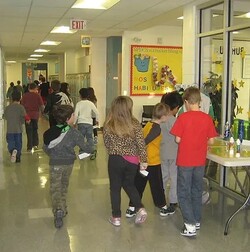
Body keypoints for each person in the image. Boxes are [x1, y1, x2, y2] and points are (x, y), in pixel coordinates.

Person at [170, 87, 217, 237]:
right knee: (197, 190)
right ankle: (196, 220)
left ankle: (189, 224)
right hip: (200, 161)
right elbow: (212, 140)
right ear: (200, 101)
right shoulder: (207, 119)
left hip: (185, 161)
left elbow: (177, 139)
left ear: (186, 102)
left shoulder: (182, 118)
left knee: (183, 192)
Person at [43, 104, 92, 229]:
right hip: (69, 163)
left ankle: (58, 210)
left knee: (55, 188)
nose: (75, 116)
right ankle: (63, 208)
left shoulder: (49, 132)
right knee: (64, 185)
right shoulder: (74, 133)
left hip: (55, 164)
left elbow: (45, 148)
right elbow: (86, 147)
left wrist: (53, 155)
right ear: (68, 118)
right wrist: (92, 146)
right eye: (73, 115)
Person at [103, 96, 148, 226]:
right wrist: (144, 161)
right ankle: (140, 208)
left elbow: (106, 143)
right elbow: (141, 143)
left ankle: (116, 217)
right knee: (129, 185)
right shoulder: (134, 123)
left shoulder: (109, 123)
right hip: (132, 160)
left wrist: (114, 149)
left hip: (115, 159)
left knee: (115, 188)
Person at [126, 103, 170, 218]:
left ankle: (132, 207)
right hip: (153, 162)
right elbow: (146, 141)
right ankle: (163, 206)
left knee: (138, 185)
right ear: (164, 116)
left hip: (142, 161)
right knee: (157, 186)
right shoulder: (156, 128)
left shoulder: (147, 125)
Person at [160, 91, 183, 215]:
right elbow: (180, 137)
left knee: (163, 177)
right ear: (175, 108)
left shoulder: (161, 119)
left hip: (162, 153)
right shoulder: (175, 121)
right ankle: (173, 201)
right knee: (174, 178)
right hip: (174, 154)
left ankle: (161, 200)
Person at [4, 90, 30, 163]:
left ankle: (12, 150)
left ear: (11, 98)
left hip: (10, 129)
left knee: (11, 142)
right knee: (18, 143)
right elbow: (26, 116)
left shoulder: (8, 107)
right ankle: (18, 157)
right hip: (18, 129)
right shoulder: (21, 107)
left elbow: (5, 117)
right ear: (20, 98)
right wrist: (28, 120)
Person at [74, 88, 98, 160]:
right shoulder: (90, 103)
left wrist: (74, 122)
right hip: (89, 123)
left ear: (80, 95)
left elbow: (76, 114)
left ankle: (82, 153)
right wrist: (97, 120)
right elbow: (97, 112)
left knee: (81, 138)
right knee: (90, 138)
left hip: (81, 123)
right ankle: (92, 151)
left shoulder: (79, 104)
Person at [21, 82, 44, 151]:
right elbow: (42, 106)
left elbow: (22, 106)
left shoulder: (25, 95)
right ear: (35, 88)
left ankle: (29, 146)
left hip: (27, 116)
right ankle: (35, 144)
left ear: (28, 88)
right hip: (35, 116)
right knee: (35, 129)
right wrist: (43, 112)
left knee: (28, 131)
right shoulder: (37, 96)